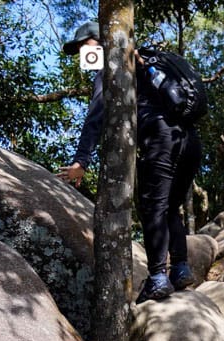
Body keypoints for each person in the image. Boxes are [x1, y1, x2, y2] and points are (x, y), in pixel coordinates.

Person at [57, 20, 202, 303]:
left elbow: (97, 113)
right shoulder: (146, 59)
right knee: (170, 206)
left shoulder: (113, 66)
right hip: (190, 141)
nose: (81, 56)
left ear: (97, 43)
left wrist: (81, 160)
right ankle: (181, 268)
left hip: (161, 138)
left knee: (153, 207)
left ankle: (158, 277)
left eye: (82, 47)